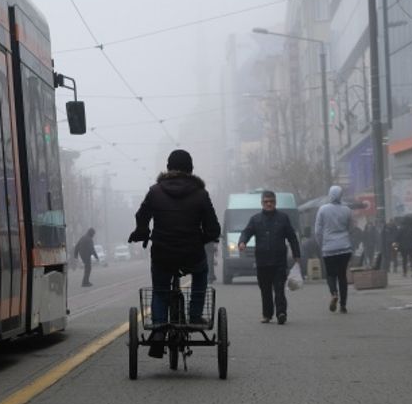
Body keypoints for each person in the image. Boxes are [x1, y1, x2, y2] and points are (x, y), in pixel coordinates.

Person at [128, 149, 220, 358]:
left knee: (160, 290)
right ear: (191, 169)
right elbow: (213, 229)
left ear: (168, 168)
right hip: (192, 254)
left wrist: (142, 233)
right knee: (201, 274)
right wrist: (202, 238)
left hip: (163, 253)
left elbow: (142, 216)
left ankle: (159, 329)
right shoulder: (200, 194)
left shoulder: (155, 191)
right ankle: (195, 317)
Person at [238, 190, 300, 324]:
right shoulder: (255, 219)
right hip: (262, 261)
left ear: (275, 202)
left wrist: (296, 255)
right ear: (262, 203)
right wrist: (242, 242)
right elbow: (246, 232)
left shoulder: (283, 218)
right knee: (265, 290)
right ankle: (267, 314)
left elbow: (292, 237)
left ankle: (281, 313)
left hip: (279, 261)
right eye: (266, 202)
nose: (269, 204)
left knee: (279, 288)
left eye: (271, 201)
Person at [314, 185, 353, 313]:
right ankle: (343, 305)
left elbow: (318, 231)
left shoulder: (323, 209)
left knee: (330, 275)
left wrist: (322, 244)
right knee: (342, 276)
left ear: (330, 194)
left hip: (329, 248)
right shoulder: (347, 210)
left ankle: (334, 293)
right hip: (345, 248)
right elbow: (350, 228)